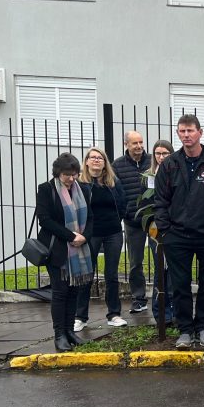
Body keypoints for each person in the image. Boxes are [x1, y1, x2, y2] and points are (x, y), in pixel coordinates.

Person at [153, 113, 204, 350]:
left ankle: (203, 328)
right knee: (179, 285)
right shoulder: (169, 165)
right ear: (178, 134)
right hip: (177, 236)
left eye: (190, 130)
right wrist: (165, 231)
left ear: (200, 132)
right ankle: (185, 330)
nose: (186, 135)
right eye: (182, 131)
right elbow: (161, 201)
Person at [35, 153, 92, 352]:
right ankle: (59, 334)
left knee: (74, 291)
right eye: (67, 175)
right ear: (58, 173)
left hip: (80, 248)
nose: (71, 178)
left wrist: (84, 237)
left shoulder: (83, 189)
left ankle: (70, 331)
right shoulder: (46, 189)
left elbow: (91, 217)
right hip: (58, 248)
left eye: (74, 174)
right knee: (60, 292)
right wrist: (70, 236)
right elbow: (45, 219)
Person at [73, 147, 127, 331]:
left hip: (112, 232)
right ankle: (80, 317)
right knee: (86, 274)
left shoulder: (113, 182)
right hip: (90, 234)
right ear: (86, 162)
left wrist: (116, 220)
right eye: (92, 157)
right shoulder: (79, 184)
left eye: (100, 158)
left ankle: (114, 314)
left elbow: (122, 204)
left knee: (111, 275)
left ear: (105, 163)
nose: (96, 160)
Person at [112, 130, 151, 314]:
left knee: (161, 259)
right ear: (126, 144)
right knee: (135, 262)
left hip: (153, 221)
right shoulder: (117, 165)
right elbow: (116, 193)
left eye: (141, 142)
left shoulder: (153, 161)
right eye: (135, 143)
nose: (139, 146)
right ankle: (139, 298)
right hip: (132, 221)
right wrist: (125, 212)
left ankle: (163, 295)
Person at [142, 141, 175, 324]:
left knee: (175, 272)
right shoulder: (148, 176)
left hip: (175, 228)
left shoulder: (176, 174)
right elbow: (144, 204)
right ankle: (161, 312)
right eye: (157, 153)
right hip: (156, 230)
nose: (161, 157)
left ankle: (176, 310)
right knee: (160, 271)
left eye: (165, 153)